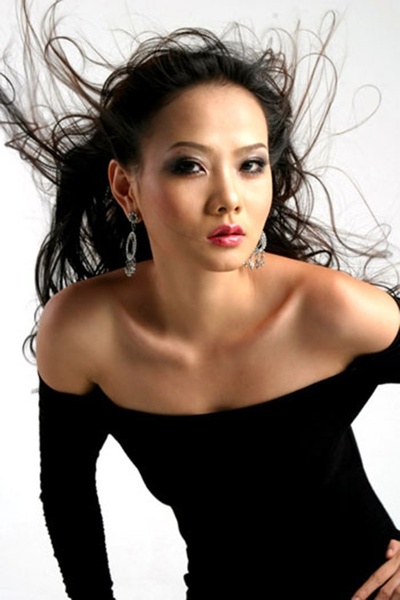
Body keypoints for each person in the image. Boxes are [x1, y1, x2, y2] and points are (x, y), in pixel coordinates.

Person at [1, 2, 400, 598]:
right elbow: (66, 496)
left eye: (251, 165)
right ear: (126, 186)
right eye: (189, 165)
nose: (228, 198)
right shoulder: (84, 332)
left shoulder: (333, 311)